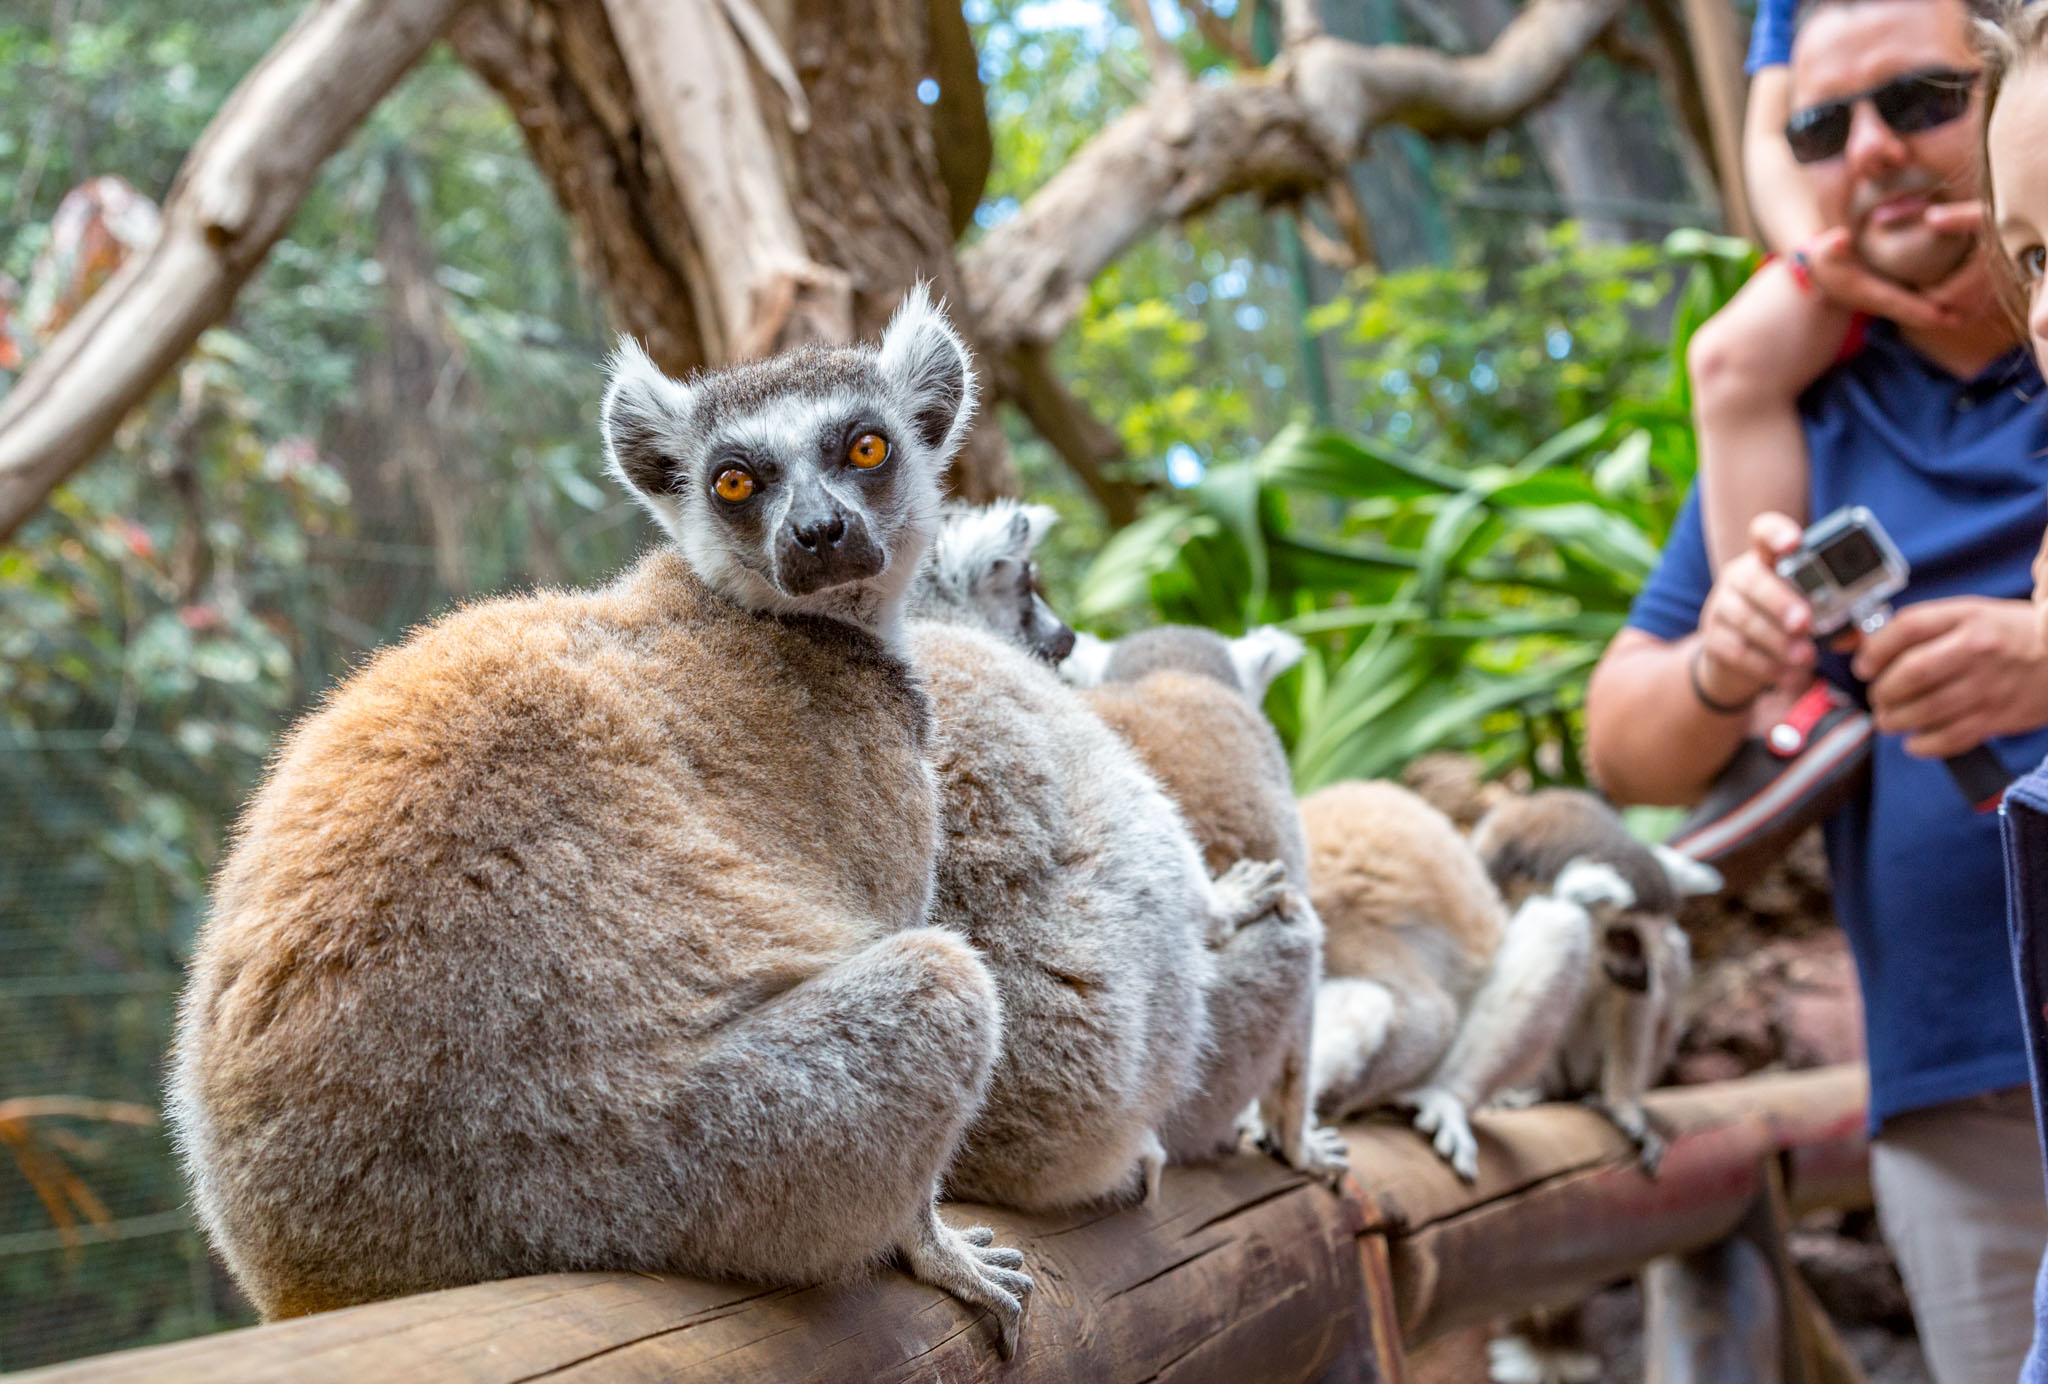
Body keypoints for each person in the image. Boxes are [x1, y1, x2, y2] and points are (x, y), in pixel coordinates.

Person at [1584, 0, 2048, 1378]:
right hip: (1951, 1073)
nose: (1871, 151)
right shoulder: (1817, 409)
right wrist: (1725, 666)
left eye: (1915, 100)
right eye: (1820, 127)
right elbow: (1631, 751)